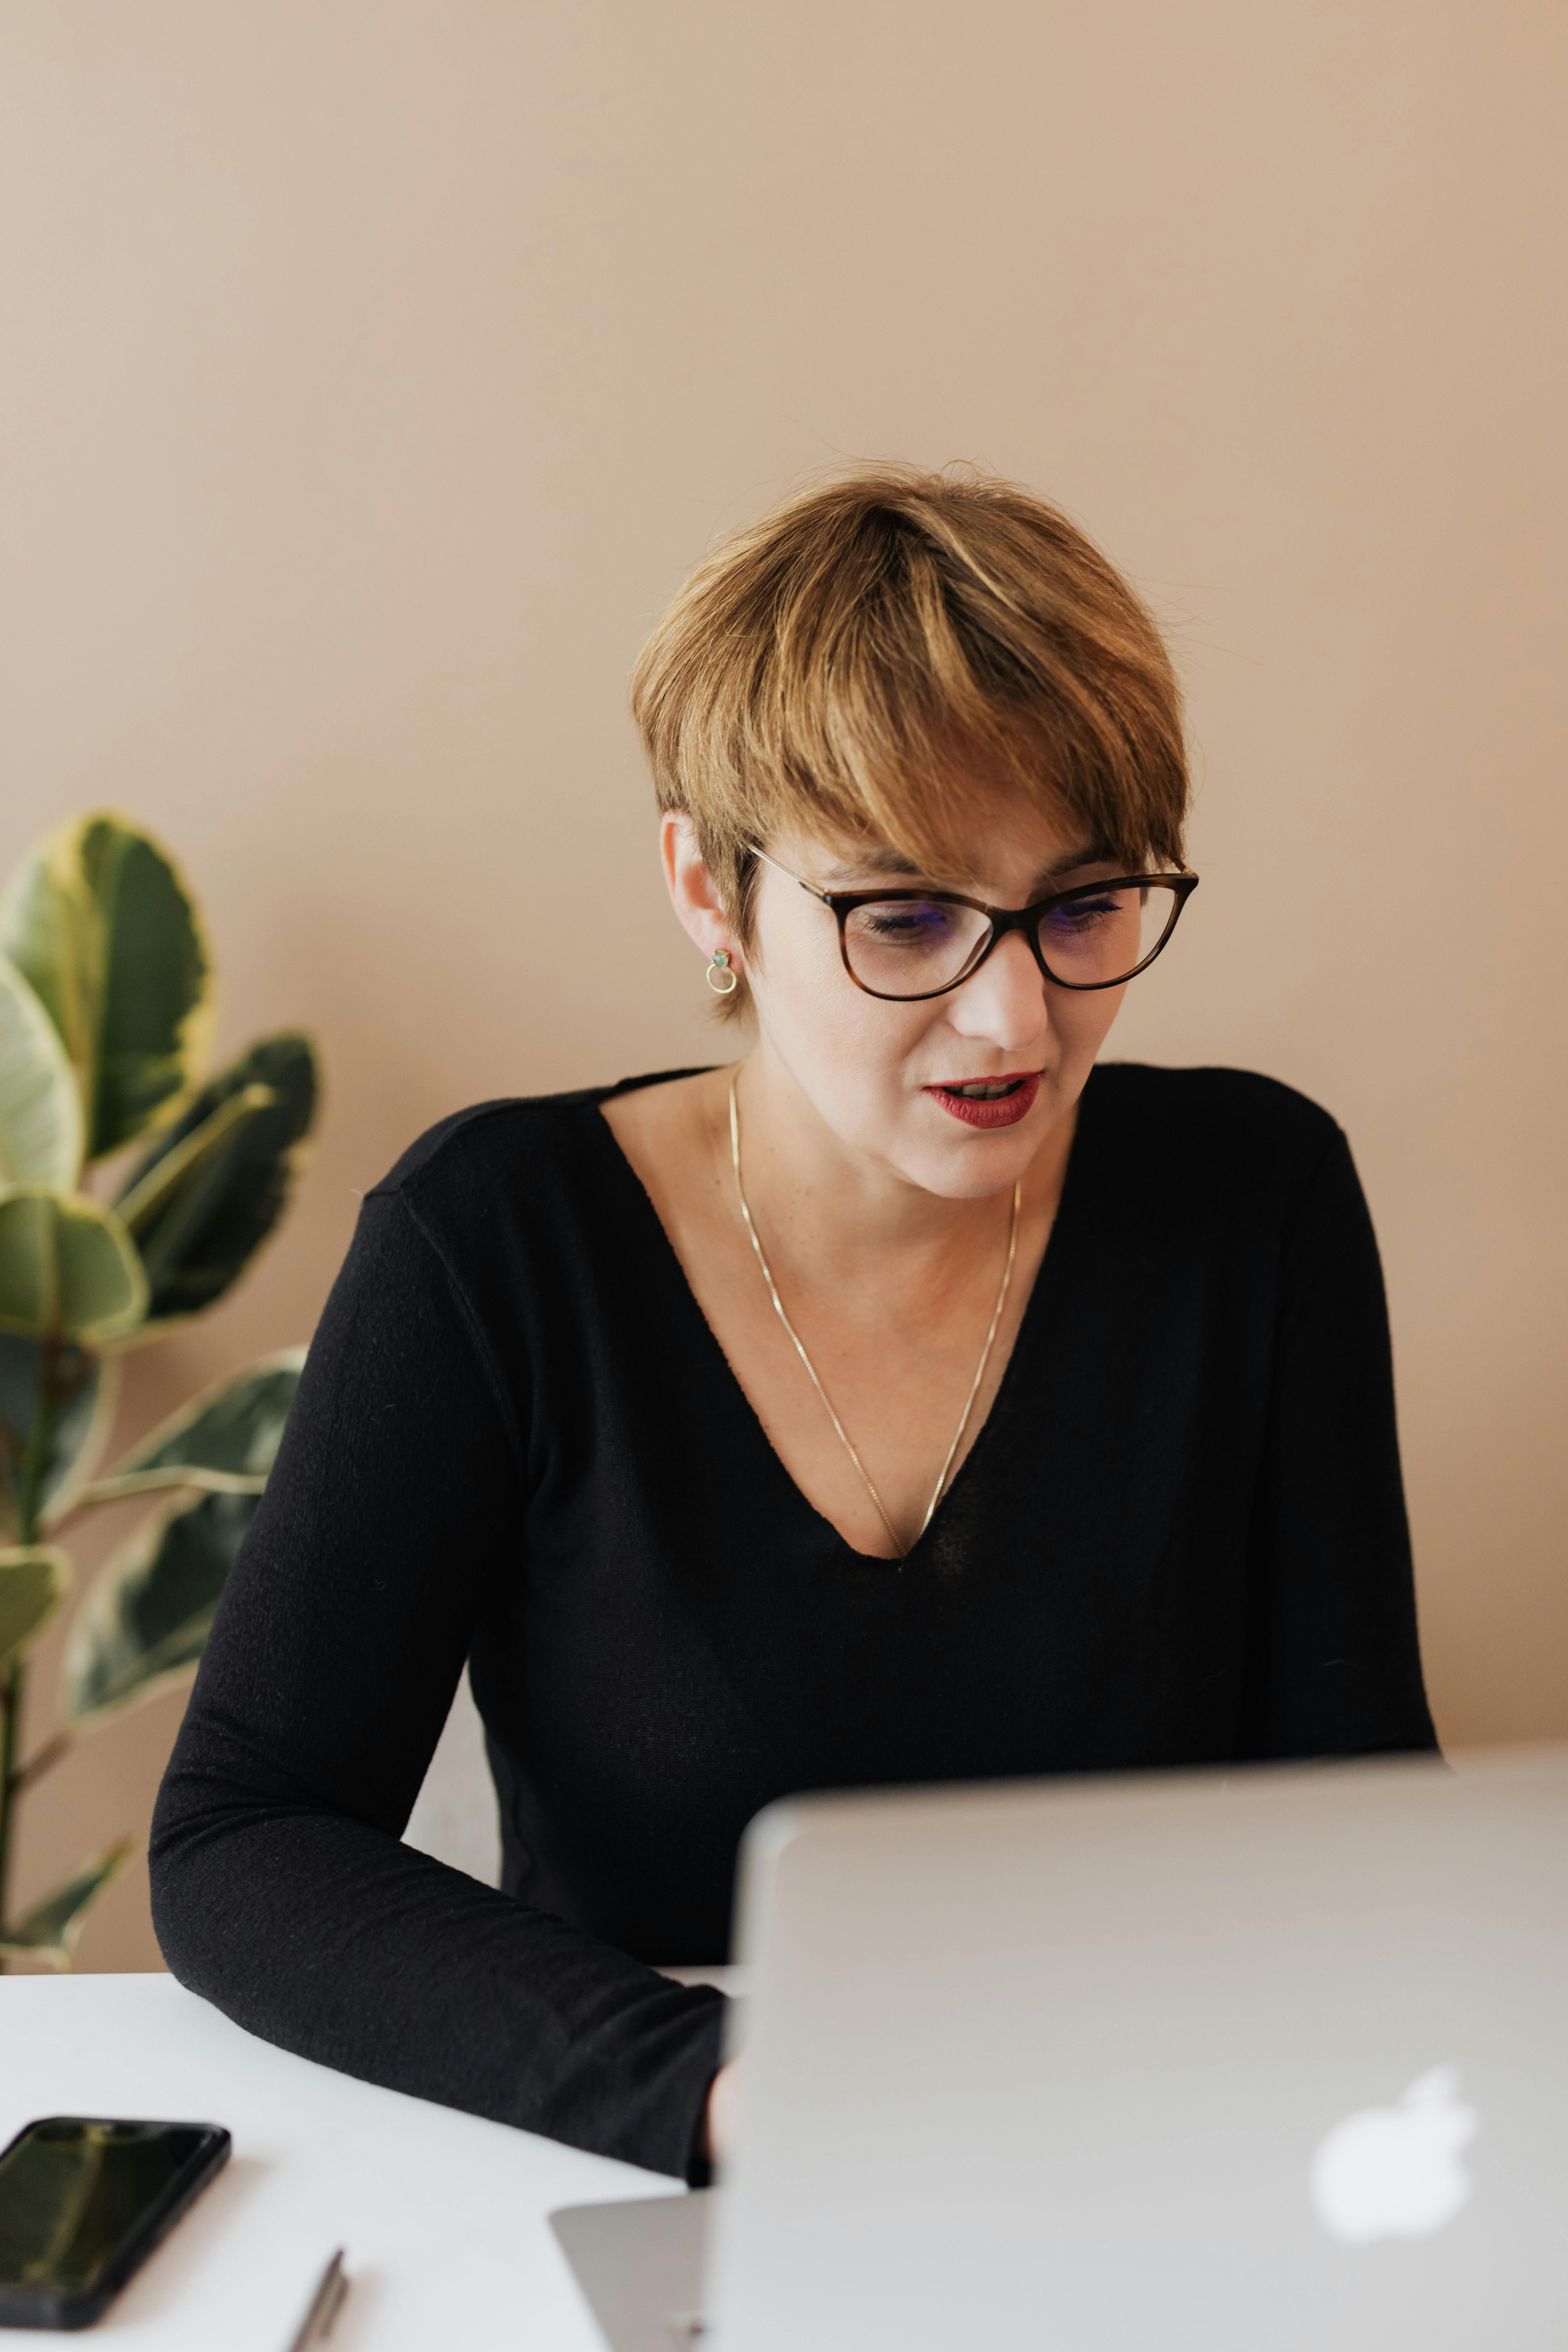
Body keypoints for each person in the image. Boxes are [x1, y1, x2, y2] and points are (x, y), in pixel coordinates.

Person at [150, 465, 1435, 2185]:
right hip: (672, 2166)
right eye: (902, 914)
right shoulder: (497, 1241)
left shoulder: (1253, 1199)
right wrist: (726, 2085)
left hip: (1150, 2146)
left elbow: (1353, 1809)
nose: (1013, 1017)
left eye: (1082, 906)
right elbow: (245, 1835)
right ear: (708, 893)